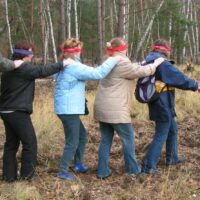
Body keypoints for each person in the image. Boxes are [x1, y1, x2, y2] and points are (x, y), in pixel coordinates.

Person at [93, 37, 165, 179]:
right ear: (123, 49)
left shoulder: (108, 60)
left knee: (106, 139)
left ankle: (102, 171)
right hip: (116, 109)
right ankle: (132, 169)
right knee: (128, 138)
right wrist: (156, 63)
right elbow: (142, 72)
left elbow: (133, 67)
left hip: (102, 107)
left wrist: (142, 63)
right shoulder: (122, 63)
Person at [54, 38, 124, 181]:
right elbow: (97, 74)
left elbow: (89, 71)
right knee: (72, 141)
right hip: (68, 110)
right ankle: (62, 171)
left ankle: (78, 164)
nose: (81, 51)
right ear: (76, 51)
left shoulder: (66, 64)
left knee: (81, 136)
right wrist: (114, 59)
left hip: (67, 109)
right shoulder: (73, 66)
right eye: (80, 49)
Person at [0, 41, 71, 182]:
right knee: (30, 143)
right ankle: (27, 177)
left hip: (6, 110)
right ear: (25, 54)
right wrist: (62, 64)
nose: (32, 56)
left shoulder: (8, 68)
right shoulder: (23, 68)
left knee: (11, 144)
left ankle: (9, 177)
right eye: (31, 53)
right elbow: (42, 71)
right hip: (17, 111)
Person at [141, 39, 200, 174]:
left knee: (172, 130)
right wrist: (195, 85)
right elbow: (179, 78)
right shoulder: (162, 63)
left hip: (160, 101)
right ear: (165, 49)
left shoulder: (150, 59)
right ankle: (148, 166)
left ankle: (172, 158)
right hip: (162, 103)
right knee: (161, 133)